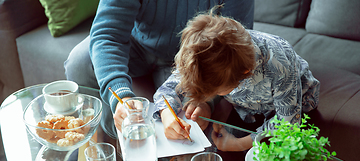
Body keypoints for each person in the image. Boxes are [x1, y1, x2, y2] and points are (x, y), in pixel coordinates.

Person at [64, 0, 255, 138]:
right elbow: (107, 34)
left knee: (191, 124)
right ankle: (113, 144)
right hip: (137, 45)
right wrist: (121, 97)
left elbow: (233, 51)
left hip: (194, 61)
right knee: (79, 63)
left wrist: (205, 100)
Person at [153, 8, 320, 152]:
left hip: (299, 102)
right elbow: (167, 90)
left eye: (217, 91)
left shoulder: (280, 65)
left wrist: (240, 144)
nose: (214, 94)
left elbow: (288, 125)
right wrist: (168, 116)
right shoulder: (201, 54)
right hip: (247, 108)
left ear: (245, 73)